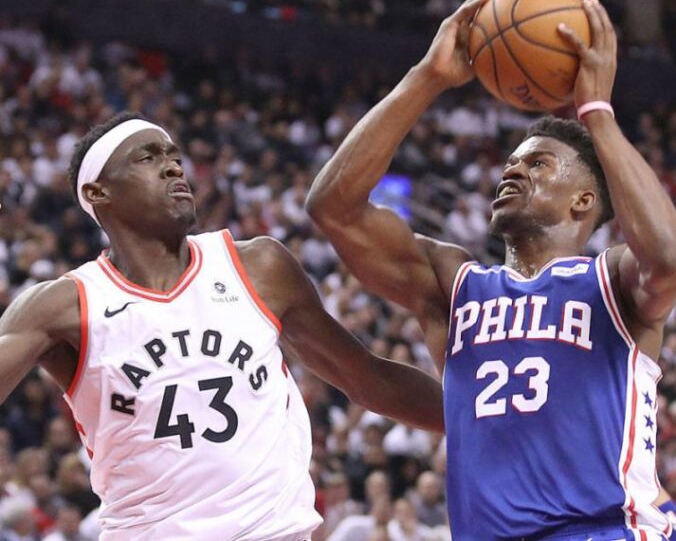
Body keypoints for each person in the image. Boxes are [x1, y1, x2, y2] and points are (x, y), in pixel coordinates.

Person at [307, 0, 676, 541]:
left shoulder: (611, 281)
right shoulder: (455, 285)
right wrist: (427, 77)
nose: (513, 170)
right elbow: (333, 208)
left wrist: (597, 114)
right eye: (512, 163)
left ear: (583, 200)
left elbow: (670, 260)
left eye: (538, 165)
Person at [0, 113, 444, 539]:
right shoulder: (64, 306)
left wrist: (473, 418)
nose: (173, 166)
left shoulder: (257, 266)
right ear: (98, 192)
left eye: (174, 155)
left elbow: (367, 378)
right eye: (148, 157)